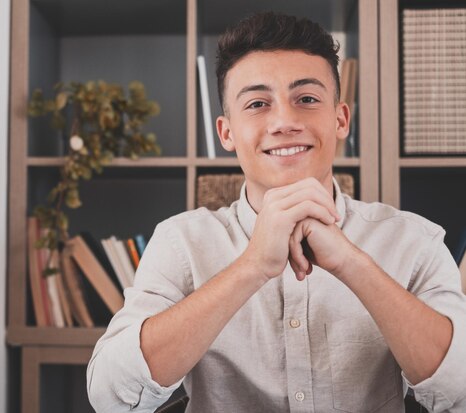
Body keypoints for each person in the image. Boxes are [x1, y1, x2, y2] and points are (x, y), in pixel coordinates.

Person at [86, 11, 466, 413]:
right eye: (257, 103)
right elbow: (112, 396)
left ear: (340, 119)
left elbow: (460, 390)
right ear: (227, 133)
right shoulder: (180, 243)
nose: (284, 121)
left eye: (306, 99)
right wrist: (251, 267)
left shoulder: (415, 240)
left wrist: (352, 264)